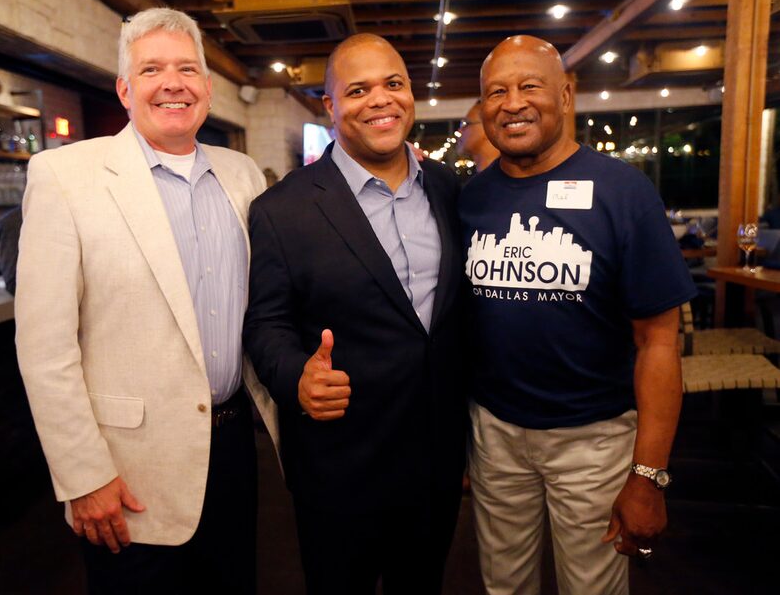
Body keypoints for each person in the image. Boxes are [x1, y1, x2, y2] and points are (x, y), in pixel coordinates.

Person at [14, 8, 277, 595]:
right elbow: (44, 347)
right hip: (128, 469)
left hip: (233, 448)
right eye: (152, 69)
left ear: (209, 87)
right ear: (124, 88)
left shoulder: (242, 176)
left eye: (188, 68)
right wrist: (84, 475)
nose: (173, 83)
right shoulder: (64, 175)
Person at [459, 35, 697, 595]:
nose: (512, 102)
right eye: (496, 91)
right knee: (502, 586)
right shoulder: (470, 197)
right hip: (493, 432)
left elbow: (659, 342)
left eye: (529, 86)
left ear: (567, 94)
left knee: (591, 588)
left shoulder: (623, 191)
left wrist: (648, 476)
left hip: (593, 440)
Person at [243, 34, 466, 595]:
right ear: (331, 105)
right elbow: (265, 323)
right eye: (358, 90)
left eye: (393, 84)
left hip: (434, 460)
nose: (380, 101)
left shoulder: (446, 189)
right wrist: (296, 377)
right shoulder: (281, 210)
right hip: (339, 464)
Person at [457, 99, 499, 171]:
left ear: (489, 128)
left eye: (466, 123)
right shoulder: (480, 180)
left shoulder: (506, 180)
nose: (459, 131)